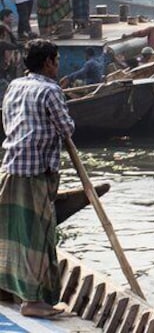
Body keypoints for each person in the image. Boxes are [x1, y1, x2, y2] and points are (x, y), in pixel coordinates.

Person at [0, 39, 75, 318]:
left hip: (10, 168)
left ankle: (6, 288)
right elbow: (66, 127)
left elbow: (7, 123)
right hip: (35, 174)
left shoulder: (14, 86)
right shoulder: (51, 90)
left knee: (11, 233)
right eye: (56, 60)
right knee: (38, 237)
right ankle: (32, 300)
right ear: (47, 63)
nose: (58, 65)